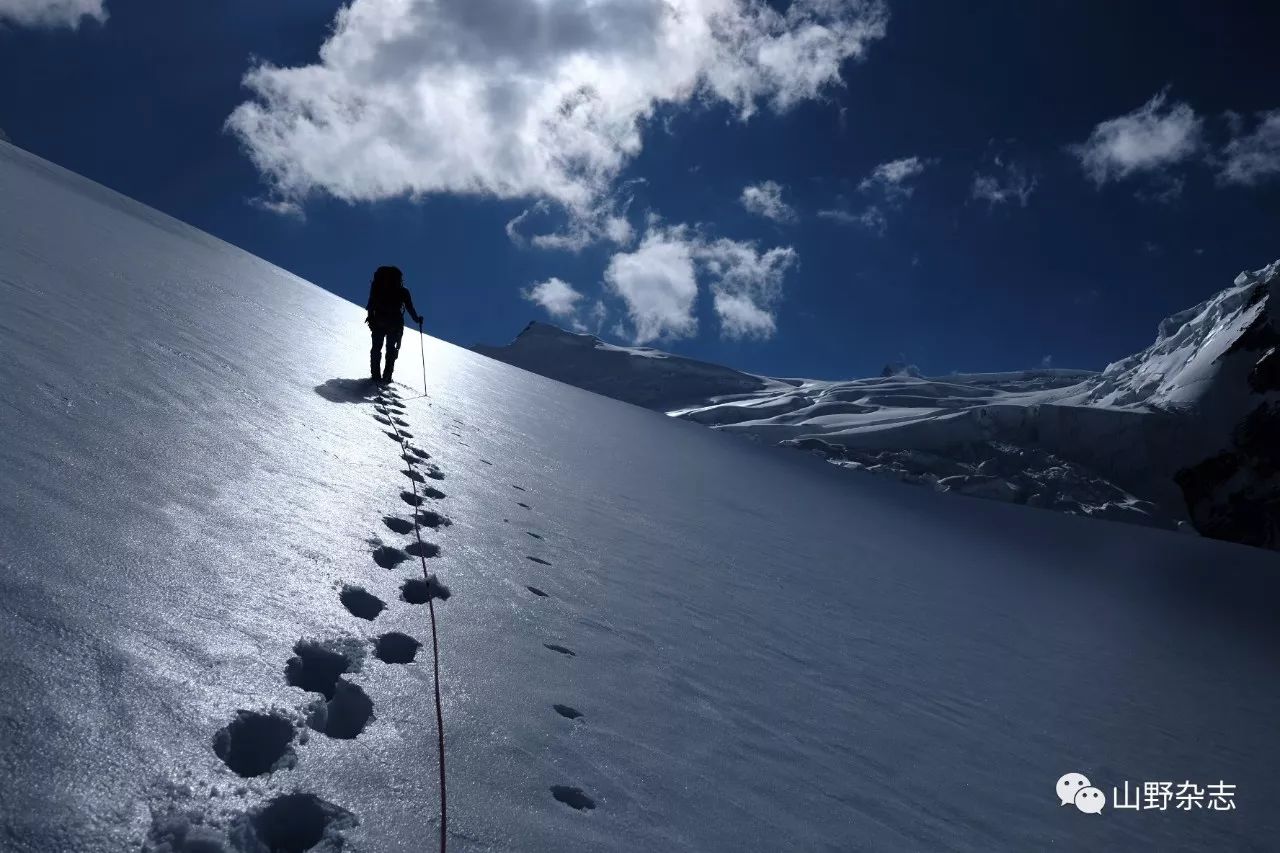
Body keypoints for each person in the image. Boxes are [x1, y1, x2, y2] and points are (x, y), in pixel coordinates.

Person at [365, 265, 422, 384]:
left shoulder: (378, 287)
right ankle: (387, 376)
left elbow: (371, 303)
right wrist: (417, 319)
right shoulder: (403, 291)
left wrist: (370, 318)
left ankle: (375, 375)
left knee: (376, 348)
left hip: (378, 320)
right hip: (395, 323)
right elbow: (410, 308)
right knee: (391, 349)